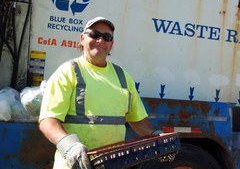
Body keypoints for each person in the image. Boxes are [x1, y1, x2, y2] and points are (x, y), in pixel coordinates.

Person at [39, 16, 162, 169]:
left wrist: (156, 136)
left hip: (113, 164)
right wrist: (70, 147)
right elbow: (48, 121)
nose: (100, 40)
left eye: (107, 36)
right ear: (82, 38)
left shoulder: (122, 76)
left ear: (111, 43)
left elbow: (137, 120)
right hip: (75, 165)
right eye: (94, 34)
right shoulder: (68, 71)